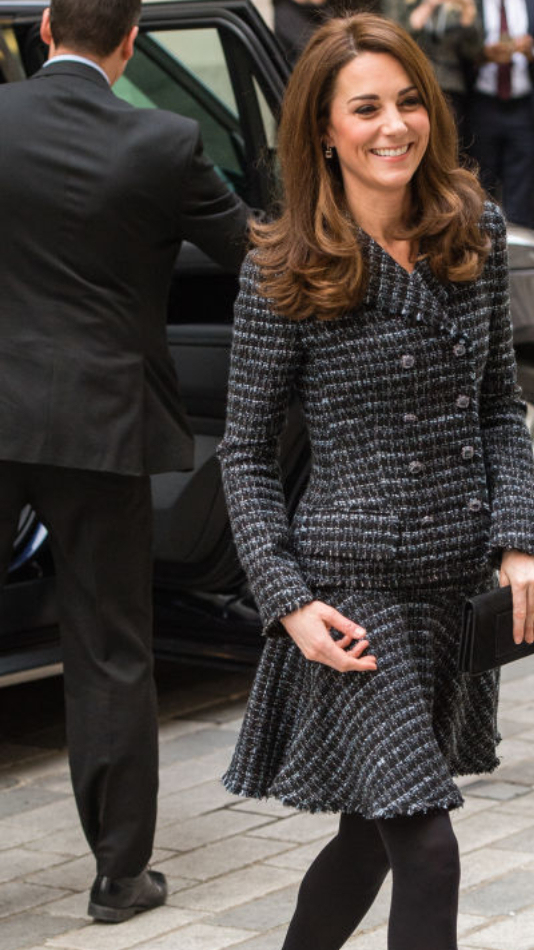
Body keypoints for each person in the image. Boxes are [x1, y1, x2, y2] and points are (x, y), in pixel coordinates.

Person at [218, 13, 534, 949]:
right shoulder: (286, 266)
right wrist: (289, 602)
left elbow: (498, 403)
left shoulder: (473, 230)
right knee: (427, 844)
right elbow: (242, 456)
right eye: (364, 108)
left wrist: (521, 536)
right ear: (324, 130)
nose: (393, 125)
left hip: (449, 590)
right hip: (353, 600)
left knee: (370, 837)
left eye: (409, 101)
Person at [0, 0, 248, 923]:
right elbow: (249, 254)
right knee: (108, 649)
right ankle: (118, 880)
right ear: (133, 42)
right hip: (103, 429)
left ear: (44, 31)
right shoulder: (165, 141)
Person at [467, 0, 534, 228]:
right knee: (479, 194)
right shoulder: (472, 4)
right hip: (482, 106)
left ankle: (517, 258)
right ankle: (481, 258)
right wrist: (482, 55)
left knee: (521, 199)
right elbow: (451, 50)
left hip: (526, 109)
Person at [382, 0, 483, 145]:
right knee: (410, 137)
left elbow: (473, 52)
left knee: (448, 142)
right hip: (410, 78)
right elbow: (394, 39)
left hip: (449, 84)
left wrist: (468, 16)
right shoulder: (400, 4)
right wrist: (428, 5)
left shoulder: (459, 5)